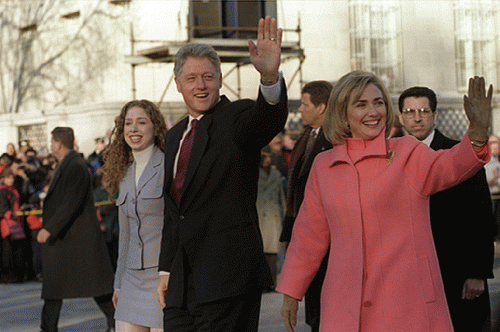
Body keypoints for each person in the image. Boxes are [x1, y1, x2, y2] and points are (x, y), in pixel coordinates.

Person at [277, 72, 492, 332]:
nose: (374, 111)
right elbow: (309, 236)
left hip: (407, 304)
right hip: (345, 305)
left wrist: (477, 135)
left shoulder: (406, 152)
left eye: (378, 102)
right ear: (342, 112)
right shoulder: (324, 165)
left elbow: (451, 166)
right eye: (361, 104)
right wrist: (291, 291)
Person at [157, 16, 288, 332]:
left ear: (219, 79)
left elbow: (267, 118)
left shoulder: (237, 118)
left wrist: (269, 78)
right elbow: (175, 213)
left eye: (208, 77)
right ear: (177, 84)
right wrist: (165, 269)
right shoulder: (174, 136)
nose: (200, 86)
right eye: (191, 78)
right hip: (182, 283)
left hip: (228, 278)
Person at [398, 86, 495, 332]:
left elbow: (481, 215)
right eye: (409, 111)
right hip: (407, 275)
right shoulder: (390, 157)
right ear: (400, 117)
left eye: (423, 111)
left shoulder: (459, 153)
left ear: (435, 116)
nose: (417, 117)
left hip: (456, 272)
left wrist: (477, 272)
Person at [36, 127, 115, 332]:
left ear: (59, 143)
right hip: (67, 240)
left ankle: (116, 322)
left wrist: (49, 228)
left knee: (97, 287)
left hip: (74, 239)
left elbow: (71, 201)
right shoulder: (69, 164)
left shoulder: (76, 166)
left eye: (52, 142)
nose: (51, 146)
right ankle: (48, 328)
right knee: (55, 290)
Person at [103, 100, 167, 331]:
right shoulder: (124, 174)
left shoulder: (168, 166)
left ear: (155, 128)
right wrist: (118, 283)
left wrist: (169, 272)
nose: (134, 129)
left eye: (141, 122)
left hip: (162, 276)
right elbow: (125, 237)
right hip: (130, 279)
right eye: (128, 124)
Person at [279, 80, 333, 331]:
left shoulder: (335, 141)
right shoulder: (304, 139)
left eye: (305, 104)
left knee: (326, 303)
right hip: (303, 230)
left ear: (321, 107)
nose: (300, 109)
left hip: (328, 235)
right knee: (312, 303)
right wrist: (288, 232)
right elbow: (294, 190)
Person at [257, 146, 286, 290]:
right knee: (260, 252)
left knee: (272, 254)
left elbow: (282, 198)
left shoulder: (275, 174)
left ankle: (272, 282)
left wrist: (285, 217)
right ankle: (261, 283)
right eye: (263, 156)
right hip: (260, 216)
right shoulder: (253, 173)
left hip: (273, 217)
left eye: (268, 156)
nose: (266, 160)